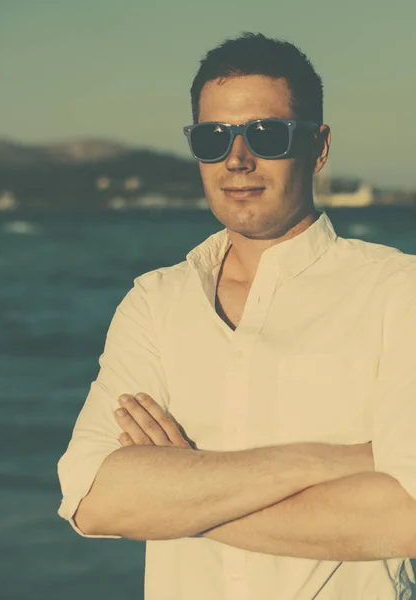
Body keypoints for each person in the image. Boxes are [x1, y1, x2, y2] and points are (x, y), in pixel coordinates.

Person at [57, 32, 416, 599]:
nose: (237, 158)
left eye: (266, 134)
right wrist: (330, 463)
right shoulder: (155, 302)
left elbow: (406, 516)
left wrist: (176, 495)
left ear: (318, 147)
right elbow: (92, 498)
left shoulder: (399, 293)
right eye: (212, 137)